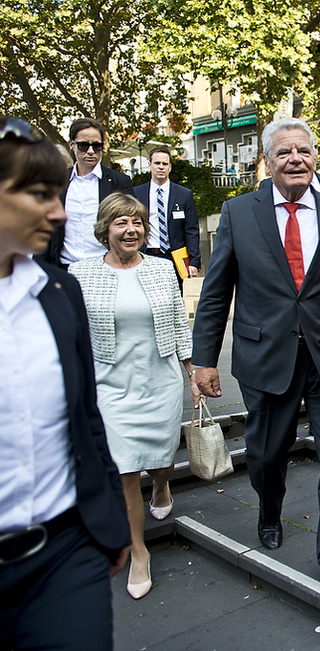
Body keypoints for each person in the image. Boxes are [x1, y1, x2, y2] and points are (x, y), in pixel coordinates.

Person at [192, 118, 320, 609]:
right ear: (268, 162)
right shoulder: (239, 213)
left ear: (316, 157)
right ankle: (269, 508)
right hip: (265, 357)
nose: (295, 158)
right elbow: (215, 294)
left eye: (304, 150)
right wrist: (203, 360)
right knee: (264, 454)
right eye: (284, 152)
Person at [0, 117, 130, 650]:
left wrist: (111, 521)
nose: (58, 212)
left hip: (65, 553)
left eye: (59, 195)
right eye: (38, 195)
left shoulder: (59, 292)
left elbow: (86, 415)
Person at [68, 192, 199, 600]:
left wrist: (193, 372)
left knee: (160, 459)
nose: (131, 230)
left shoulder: (162, 270)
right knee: (124, 469)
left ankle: (161, 484)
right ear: (105, 229)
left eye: (138, 223)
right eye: (121, 223)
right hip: (108, 385)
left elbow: (179, 323)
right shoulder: (79, 273)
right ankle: (138, 551)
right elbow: (71, 333)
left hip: (158, 381)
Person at [44, 117, 134, 268]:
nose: (91, 151)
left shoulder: (119, 181)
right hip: (65, 268)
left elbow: (132, 225)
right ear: (71, 145)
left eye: (97, 146)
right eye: (83, 145)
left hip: (106, 267)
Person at [134, 147, 202, 288]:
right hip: (146, 255)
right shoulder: (136, 193)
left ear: (170, 167)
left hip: (174, 257)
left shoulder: (184, 194)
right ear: (149, 165)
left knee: (174, 300)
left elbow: (191, 229)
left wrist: (194, 260)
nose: (161, 167)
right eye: (157, 163)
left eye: (165, 164)